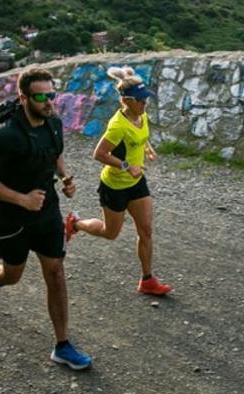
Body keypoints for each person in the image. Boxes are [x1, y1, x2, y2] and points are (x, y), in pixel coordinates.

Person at [0, 68, 91, 370]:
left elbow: (56, 153)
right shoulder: (7, 134)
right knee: (12, 275)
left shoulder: (53, 123)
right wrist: (22, 199)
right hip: (12, 216)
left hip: (47, 212)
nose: (49, 102)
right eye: (41, 97)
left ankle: (63, 345)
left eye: (52, 95)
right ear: (23, 98)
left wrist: (65, 177)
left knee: (56, 272)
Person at [64, 67, 172, 296]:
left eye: (145, 99)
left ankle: (147, 280)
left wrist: (147, 148)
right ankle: (75, 223)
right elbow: (99, 154)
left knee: (146, 230)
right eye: (140, 100)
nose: (145, 104)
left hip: (136, 183)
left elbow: (140, 135)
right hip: (114, 186)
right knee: (110, 232)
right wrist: (126, 166)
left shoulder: (140, 115)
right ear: (127, 101)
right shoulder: (117, 126)